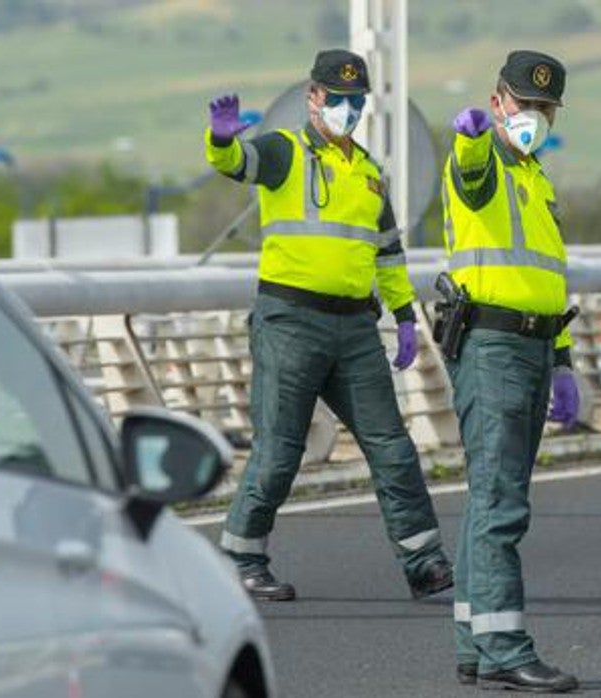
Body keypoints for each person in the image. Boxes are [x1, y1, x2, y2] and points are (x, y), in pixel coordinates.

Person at [204, 49, 453, 602]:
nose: (345, 108)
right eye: (335, 98)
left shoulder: (368, 173)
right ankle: (242, 559)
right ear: (313, 97)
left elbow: (388, 253)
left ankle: (424, 560)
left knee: (391, 444)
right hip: (290, 320)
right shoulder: (283, 151)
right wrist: (221, 140)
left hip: (355, 329)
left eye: (355, 101)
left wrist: (407, 314)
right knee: (280, 448)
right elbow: (236, 163)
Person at [438, 49, 580, 693]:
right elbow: (470, 177)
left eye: (545, 108)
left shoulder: (535, 176)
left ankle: (474, 639)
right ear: (498, 102)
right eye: (524, 104)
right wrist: (470, 140)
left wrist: (565, 359)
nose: (534, 116)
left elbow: (545, 278)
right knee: (500, 503)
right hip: (493, 346)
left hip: (532, 346)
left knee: (488, 501)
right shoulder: (485, 158)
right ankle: (504, 646)